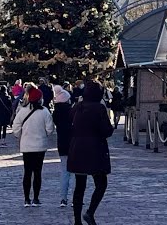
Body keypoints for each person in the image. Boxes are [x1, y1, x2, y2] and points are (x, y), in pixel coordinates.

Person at [67, 80, 114, 225]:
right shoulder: (99, 108)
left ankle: (77, 220)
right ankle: (90, 212)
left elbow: (69, 124)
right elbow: (106, 130)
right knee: (101, 183)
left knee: (79, 186)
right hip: (95, 150)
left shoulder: (77, 107)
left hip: (77, 149)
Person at [14, 86, 55, 207]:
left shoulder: (22, 111)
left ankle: (26, 199)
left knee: (27, 172)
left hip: (26, 146)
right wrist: (43, 134)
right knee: (37, 172)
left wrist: (22, 136)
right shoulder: (45, 112)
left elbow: (16, 128)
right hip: (40, 146)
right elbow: (50, 129)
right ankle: (36, 198)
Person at [52, 84, 75, 207]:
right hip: (74, 143)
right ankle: (75, 199)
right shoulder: (72, 112)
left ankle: (63, 198)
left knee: (64, 172)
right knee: (75, 172)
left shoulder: (56, 113)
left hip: (61, 143)